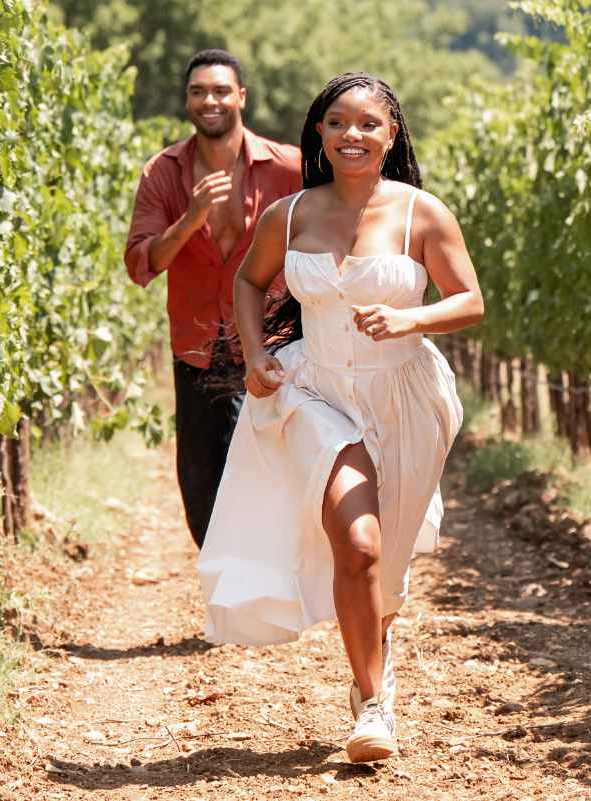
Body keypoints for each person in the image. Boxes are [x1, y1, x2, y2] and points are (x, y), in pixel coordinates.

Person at [196, 73, 483, 763]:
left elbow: (469, 300)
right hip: (319, 395)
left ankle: (376, 645)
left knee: (386, 572)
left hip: (407, 396)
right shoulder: (289, 216)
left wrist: (411, 316)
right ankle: (374, 701)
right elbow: (247, 281)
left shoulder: (423, 214)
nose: (351, 134)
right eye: (337, 123)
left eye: (367, 124)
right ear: (319, 135)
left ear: (391, 135)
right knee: (356, 545)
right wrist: (258, 352)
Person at [124, 49, 302, 548]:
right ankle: (226, 585)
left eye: (221, 90)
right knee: (199, 485)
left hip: (274, 346)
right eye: (198, 91)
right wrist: (191, 218)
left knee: (271, 471)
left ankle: (261, 596)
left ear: (241, 96)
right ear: (188, 100)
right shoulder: (163, 172)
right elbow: (142, 263)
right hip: (198, 347)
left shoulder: (288, 168)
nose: (210, 100)